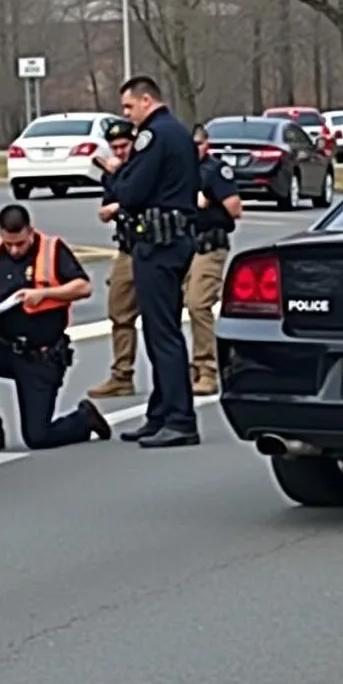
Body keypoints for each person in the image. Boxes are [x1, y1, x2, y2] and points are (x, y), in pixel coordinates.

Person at [0, 203, 113, 453]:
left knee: (37, 437)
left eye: (20, 243)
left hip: (41, 355)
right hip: (5, 346)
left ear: (30, 232)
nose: (15, 250)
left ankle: (84, 419)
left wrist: (45, 294)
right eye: (9, 244)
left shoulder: (52, 250)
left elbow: (83, 287)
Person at [100, 74, 200, 449]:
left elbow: (133, 190)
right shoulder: (177, 132)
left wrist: (114, 177)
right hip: (174, 240)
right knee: (163, 330)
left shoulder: (154, 136)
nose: (127, 114)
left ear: (146, 101)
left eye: (129, 106)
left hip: (158, 244)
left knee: (163, 335)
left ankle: (179, 418)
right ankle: (160, 414)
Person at [185, 122, 242, 395]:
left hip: (209, 244)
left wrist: (208, 199)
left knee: (198, 304)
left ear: (206, 144)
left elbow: (235, 209)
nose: (194, 149)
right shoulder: (180, 171)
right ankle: (189, 369)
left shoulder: (215, 171)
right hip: (182, 245)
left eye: (198, 144)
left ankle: (207, 369)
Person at [88, 117, 140, 398]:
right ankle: (122, 375)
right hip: (127, 247)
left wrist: (118, 206)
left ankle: (189, 372)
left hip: (154, 248)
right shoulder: (113, 173)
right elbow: (108, 205)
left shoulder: (146, 166)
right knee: (120, 312)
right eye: (115, 147)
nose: (120, 151)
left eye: (125, 145)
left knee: (165, 316)